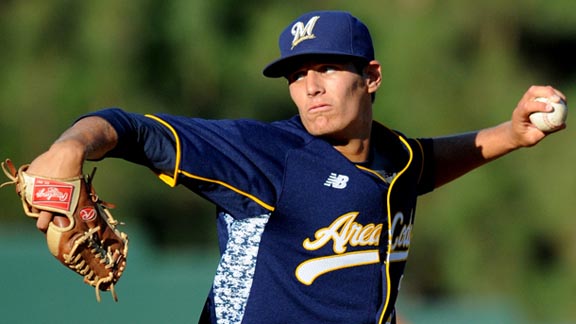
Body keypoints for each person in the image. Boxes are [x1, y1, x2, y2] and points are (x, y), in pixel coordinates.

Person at [25, 10, 565, 324]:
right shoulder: (267, 154)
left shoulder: (394, 157)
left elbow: (423, 164)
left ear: (371, 76)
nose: (309, 86)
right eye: (297, 74)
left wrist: (510, 135)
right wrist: (73, 144)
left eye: (327, 67)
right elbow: (136, 129)